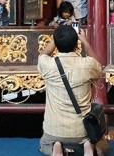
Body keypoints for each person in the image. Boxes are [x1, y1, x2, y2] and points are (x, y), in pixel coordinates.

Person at [38, 25, 102, 156]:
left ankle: (56, 146)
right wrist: (85, 41)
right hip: (82, 131)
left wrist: (56, 40)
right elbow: (98, 66)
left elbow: (43, 55)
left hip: (54, 130)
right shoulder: (87, 64)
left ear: (56, 44)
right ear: (76, 45)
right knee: (99, 140)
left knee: (45, 144)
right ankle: (88, 144)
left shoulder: (47, 65)